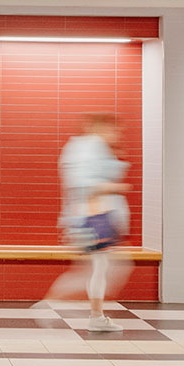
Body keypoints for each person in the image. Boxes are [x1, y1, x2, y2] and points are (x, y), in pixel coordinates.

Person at [39, 111, 130, 333]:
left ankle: (94, 315)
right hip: (94, 219)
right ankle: (53, 305)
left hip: (89, 218)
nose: (117, 134)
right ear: (100, 129)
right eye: (113, 129)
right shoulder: (92, 147)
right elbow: (85, 185)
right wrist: (114, 187)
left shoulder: (80, 148)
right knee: (105, 269)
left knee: (100, 268)